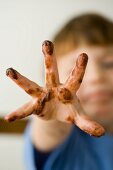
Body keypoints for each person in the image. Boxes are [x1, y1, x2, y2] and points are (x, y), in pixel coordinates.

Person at [6, 13, 113, 170]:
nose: (96, 77)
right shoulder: (63, 137)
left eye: (109, 64)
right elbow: (50, 132)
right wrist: (52, 116)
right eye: (73, 71)